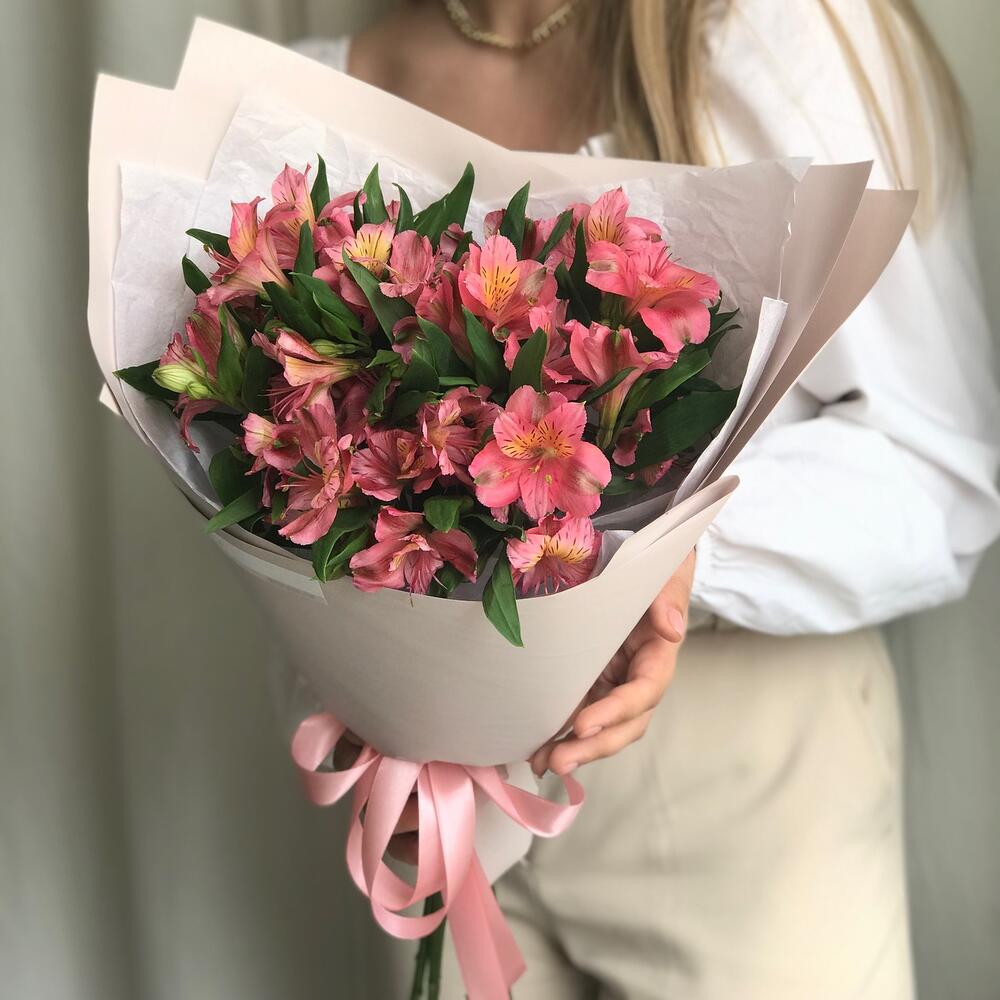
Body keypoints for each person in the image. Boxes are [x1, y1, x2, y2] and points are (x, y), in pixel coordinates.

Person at [296, 2, 1000, 996]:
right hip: (444, 807)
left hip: (744, 790)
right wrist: (364, 697)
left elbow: (939, 468)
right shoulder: (315, 93)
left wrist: (675, 546)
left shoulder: (775, 36)